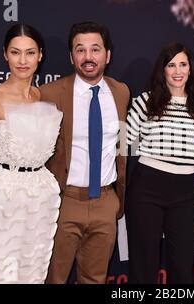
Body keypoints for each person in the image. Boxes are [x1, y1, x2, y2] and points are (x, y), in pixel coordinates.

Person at [0, 23, 63, 284]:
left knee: (29, 275)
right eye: (15, 52)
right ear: (5, 54)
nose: (23, 60)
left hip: (38, 205)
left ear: (40, 55)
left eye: (30, 52)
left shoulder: (42, 97)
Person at [40, 21, 129, 284]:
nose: (88, 57)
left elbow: (122, 144)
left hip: (105, 202)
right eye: (80, 50)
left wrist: (116, 200)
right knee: (53, 278)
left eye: (95, 49)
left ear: (107, 55)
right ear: (71, 56)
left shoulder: (121, 92)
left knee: (95, 279)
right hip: (64, 201)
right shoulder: (50, 93)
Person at [126, 42, 194, 284]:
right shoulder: (146, 101)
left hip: (186, 193)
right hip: (146, 187)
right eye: (171, 65)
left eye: (183, 64)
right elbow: (123, 145)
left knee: (183, 269)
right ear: (162, 70)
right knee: (143, 266)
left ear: (190, 69)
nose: (177, 71)